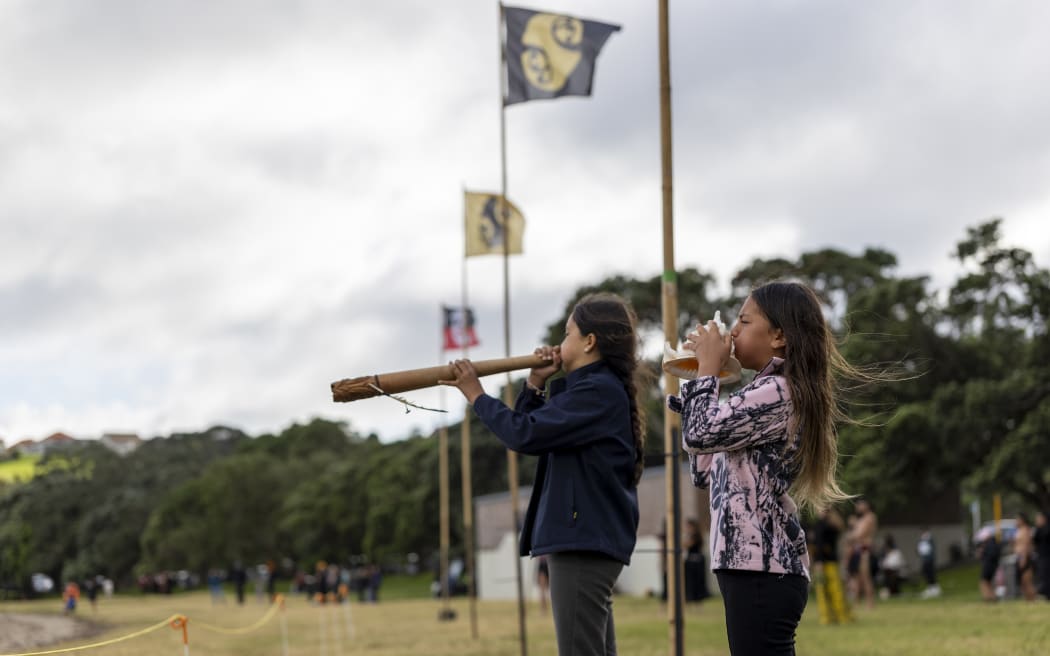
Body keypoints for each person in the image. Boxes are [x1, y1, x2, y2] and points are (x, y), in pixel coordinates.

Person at [441, 292, 643, 656]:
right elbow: (536, 429)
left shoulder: (596, 392)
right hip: (588, 539)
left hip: (582, 541)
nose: (559, 343)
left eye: (568, 333)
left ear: (589, 342)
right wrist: (534, 385)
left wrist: (476, 395)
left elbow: (523, 433)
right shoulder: (594, 391)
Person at [669, 280, 859, 656]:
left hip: (762, 566)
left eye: (743, 320)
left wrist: (706, 371)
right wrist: (703, 380)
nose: (733, 331)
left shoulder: (778, 391)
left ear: (779, 337)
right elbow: (704, 471)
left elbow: (700, 434)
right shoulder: (759, 391)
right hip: (752, 566)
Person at [811, 506, 852, 624]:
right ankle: (827, 618)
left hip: (830, 562)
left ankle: (843, 616)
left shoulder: (831, 525)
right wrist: (817, 562)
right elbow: (816, 546)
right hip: (820, 563)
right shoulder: (817, 525)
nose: (821, 510)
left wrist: (831, 512)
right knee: (821, 592)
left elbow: (840, 527)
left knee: (836, 590)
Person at [849, 499, 879, 608]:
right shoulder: (860, 519)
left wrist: (854, 527)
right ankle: (857, 603)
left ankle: (870, 603)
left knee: (866, 578)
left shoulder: (870, 517)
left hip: (865, 551)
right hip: (858, 550)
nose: (857, 506)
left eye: (860, 504)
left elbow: (859, 535)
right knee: (857, 578)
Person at [683, 518, 709, 603]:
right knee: (690, 582)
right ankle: (691, 598)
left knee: (696, 582)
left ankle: (697, 598)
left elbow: (688, 545)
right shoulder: (691, 535)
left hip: (696, 562)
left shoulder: (696, 535)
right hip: (691, 561)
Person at [1014, 513, 1037, 601]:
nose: (1016, 521)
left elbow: (1025, 545)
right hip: (1020, 557)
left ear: (1022, 520)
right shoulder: (1019, 530)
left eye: (1018, 519)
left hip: (1025, 557)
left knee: (1027, 580)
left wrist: (1023, 558)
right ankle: (1028, 599)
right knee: (1023, 581)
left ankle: (1033, 599)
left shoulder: (1025, 530)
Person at [976, 527, 1000, 602]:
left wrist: (983, 552)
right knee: (988, 583)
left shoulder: (990, 543)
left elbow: (991, 555)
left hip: (989, 566)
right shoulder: (993, 542)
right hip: (991, 566)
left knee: (983, 582)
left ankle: (988, 598)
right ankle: (992, 598)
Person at [916, 528, 941, 598]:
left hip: (929, 560)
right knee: (926, 573)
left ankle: (935, 588)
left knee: (931, 574)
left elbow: (929, 550)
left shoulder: (929, 539)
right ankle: (930, 587)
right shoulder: (922, 540)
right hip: (925, 560)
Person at [1034, 510, 1050, 599]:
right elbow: (1036, 540)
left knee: (1046, 575)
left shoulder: (1047, 529)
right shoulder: (1040, 529)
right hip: (1042, 556)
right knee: (1043, 575)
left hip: (1047, 556)